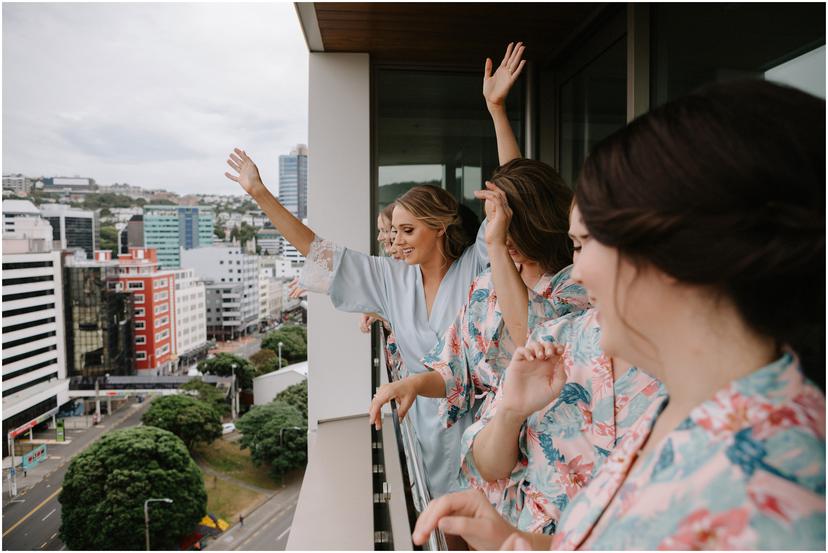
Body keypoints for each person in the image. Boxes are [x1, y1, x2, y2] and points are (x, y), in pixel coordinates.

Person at [411, 79, 826, 549]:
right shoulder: (690, 405)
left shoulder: (777, 500)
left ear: (672, 252)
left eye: (584, 244)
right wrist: (518, 540)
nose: (579, 271)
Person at [225, 152, 489, 497]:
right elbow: (317, 251)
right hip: (424, 426)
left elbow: (510, 206)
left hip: (483, 427)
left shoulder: (474, 268)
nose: (397, 241)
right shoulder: (390, 278)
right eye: (394, 232)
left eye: (408, 230)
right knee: (443, 528)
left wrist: (497, 111)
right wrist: (260, 193)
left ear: (440, 227)